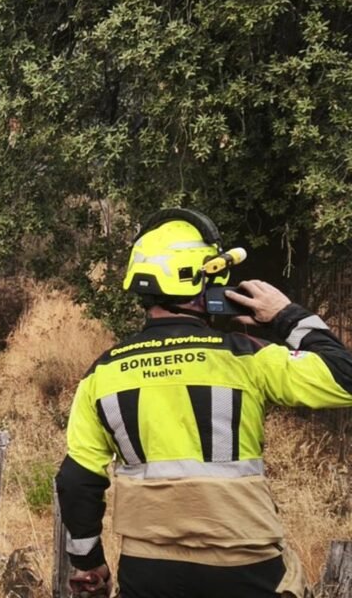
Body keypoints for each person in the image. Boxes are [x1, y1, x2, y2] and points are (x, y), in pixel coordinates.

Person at [55, 208, 352, 598]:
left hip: (148, 571)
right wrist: (286, 316)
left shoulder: (102, 373)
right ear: (203, 284)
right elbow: (344, 379)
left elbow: (76, 480)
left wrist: (89, 562)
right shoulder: (246, 355)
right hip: (245, 566)